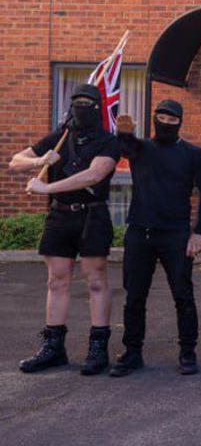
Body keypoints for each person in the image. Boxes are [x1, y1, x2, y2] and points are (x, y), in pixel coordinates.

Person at [8, 84, 121, 375]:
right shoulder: (60, 137)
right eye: (77, 102)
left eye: (88, 103)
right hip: (59, 217)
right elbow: (14, 162)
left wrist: (47, 187)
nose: (82, 107)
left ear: (97, 107)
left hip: (91, 217)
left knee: (96, 280)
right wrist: (39, 160)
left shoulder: (108, 141)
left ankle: (98, 348)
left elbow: (93, 175)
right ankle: (53, 347)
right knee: (56, 281)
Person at [108, 100, 201, 377]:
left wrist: (200, 232)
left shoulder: (193, 154)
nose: (166, 123)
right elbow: (123, 148)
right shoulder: (140, 148)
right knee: (134, 296)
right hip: (139, 232)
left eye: (172, 120)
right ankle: (132, 352)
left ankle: (188, 352)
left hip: (176, 235)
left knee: (183, 295)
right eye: (161, 118)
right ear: (154, 118)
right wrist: (123, 133)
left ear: (180, 122)